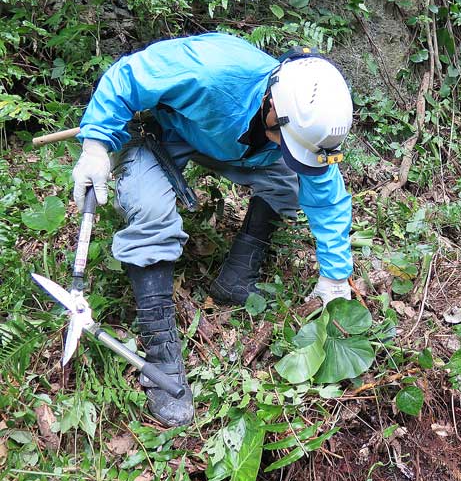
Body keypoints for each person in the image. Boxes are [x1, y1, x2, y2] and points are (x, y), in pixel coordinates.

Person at [71, 33, 355, 427]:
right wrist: (96, 145)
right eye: (286, 141)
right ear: (274, 107)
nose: (292, 149)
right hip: (163, 134)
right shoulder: (210, 70)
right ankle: (162, 359)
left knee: (290, 180)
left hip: (236, 148)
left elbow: (326, 197)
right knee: (151, 209)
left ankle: (236, 277)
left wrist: (335, 276)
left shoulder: (310, 124)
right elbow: (127, 77)